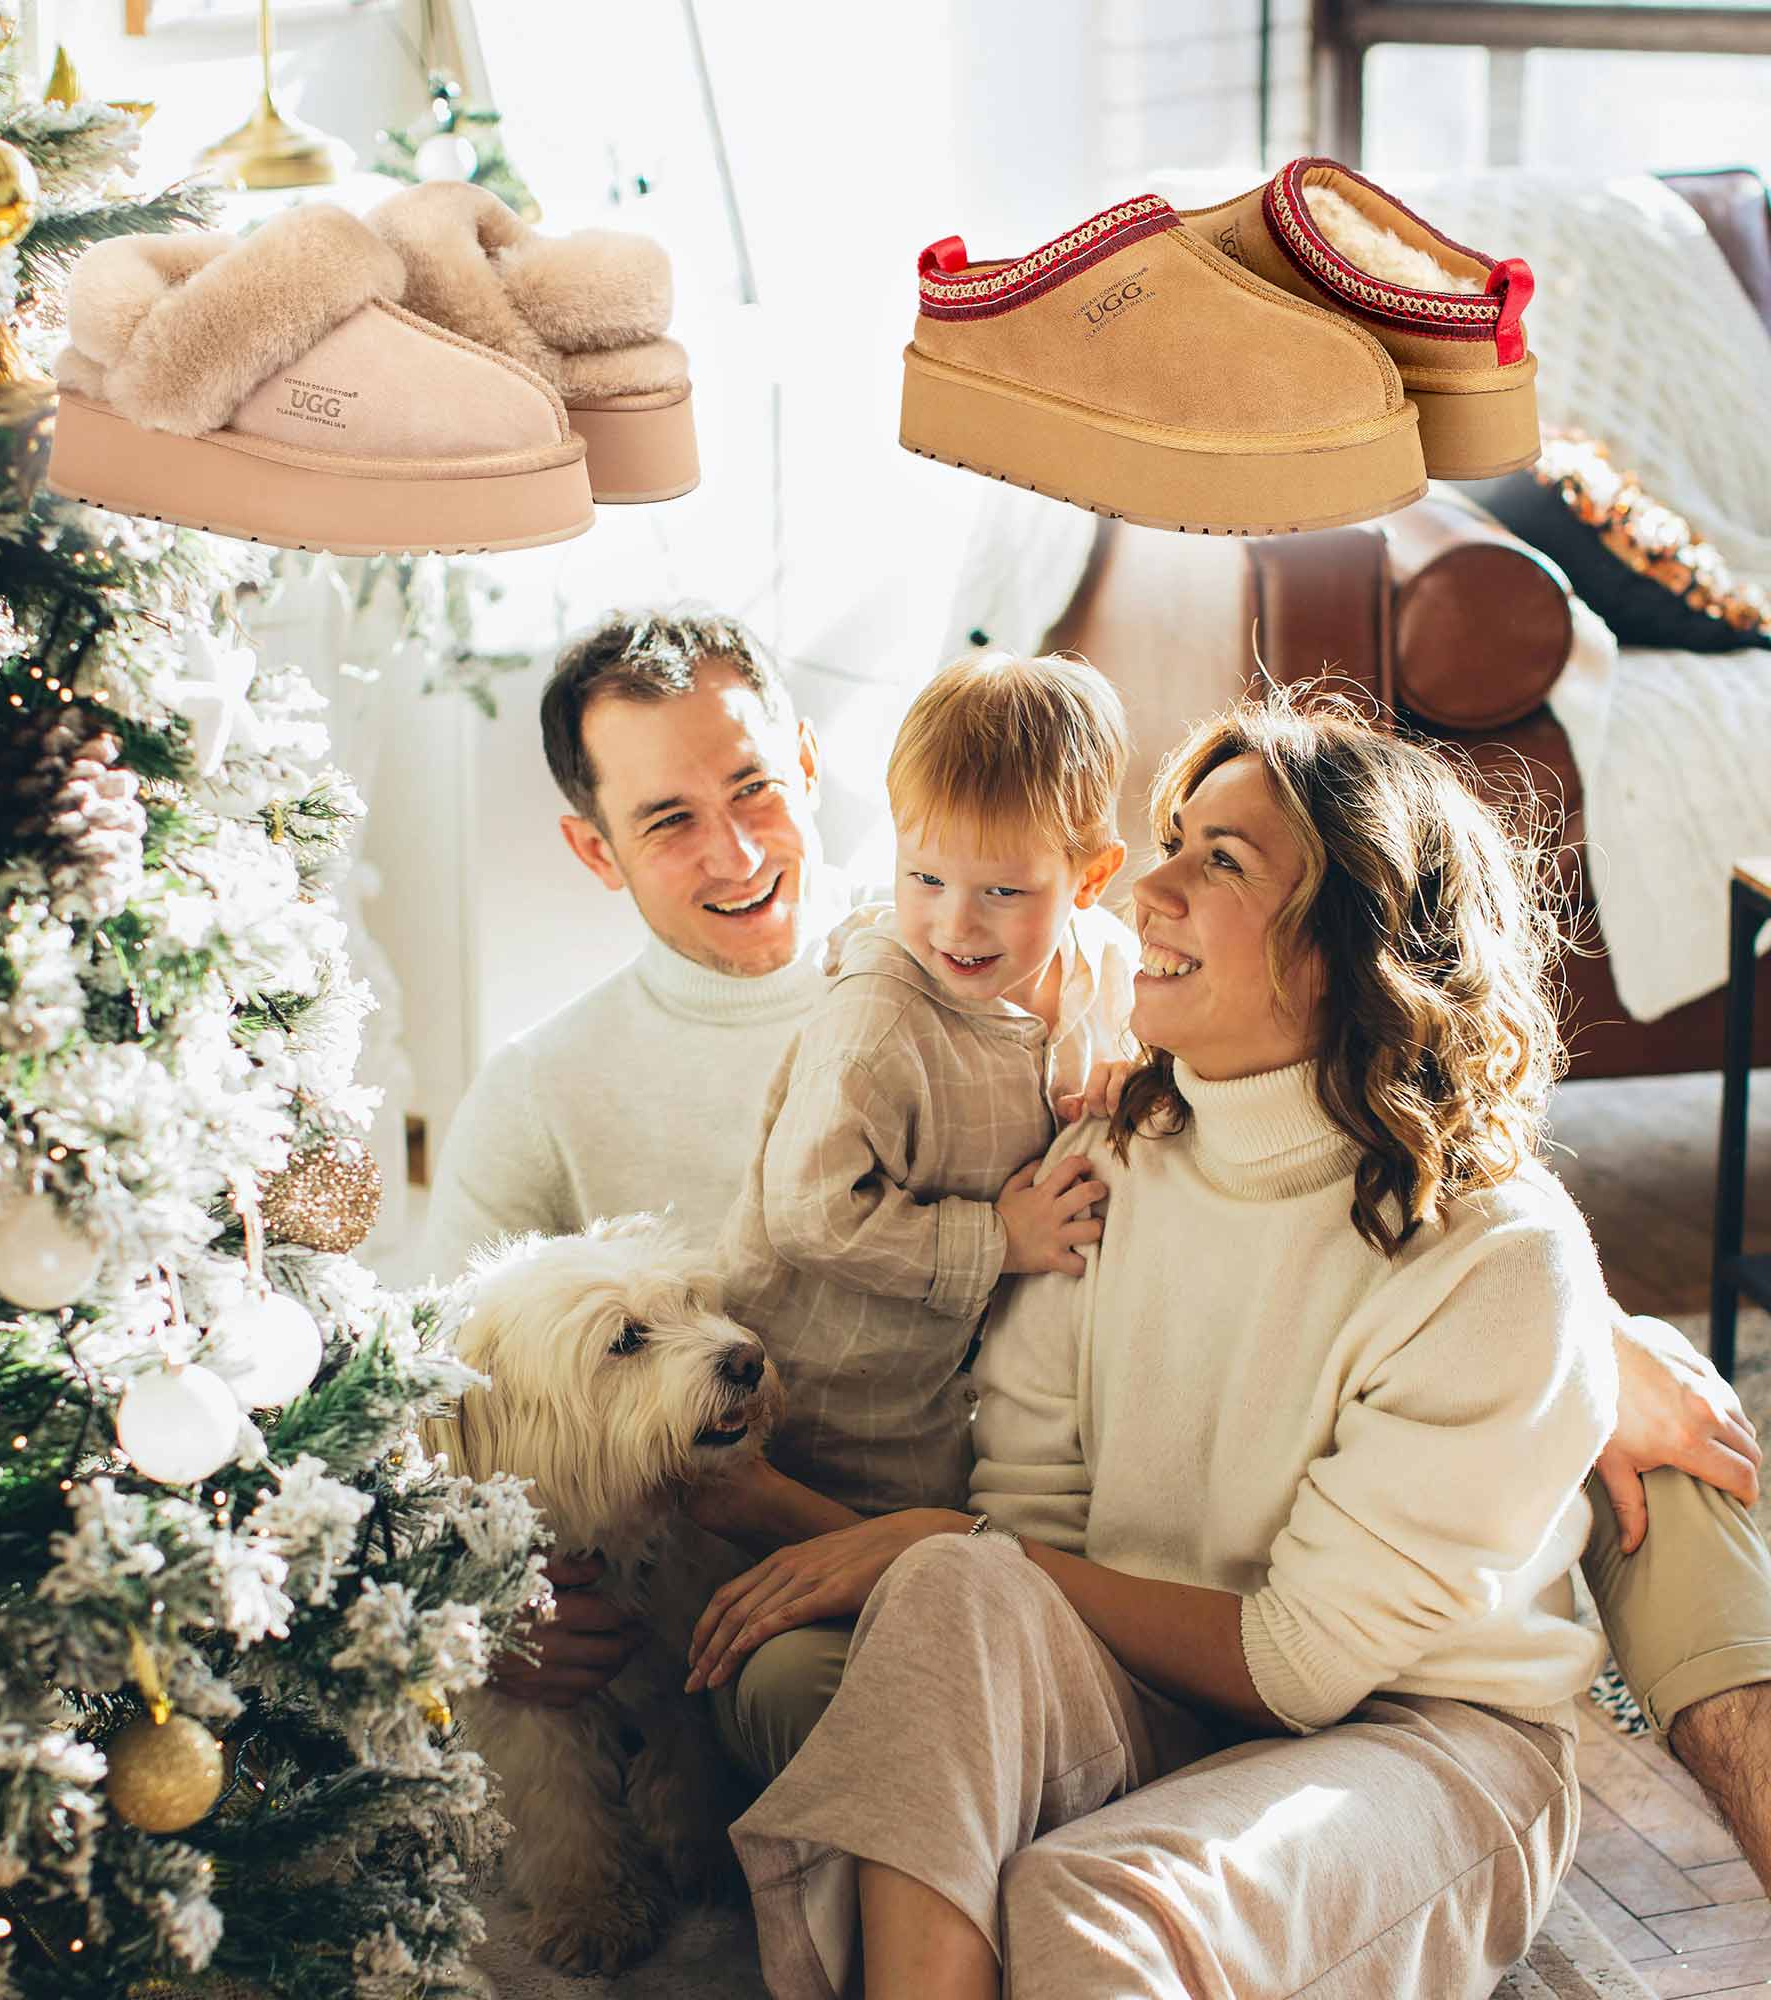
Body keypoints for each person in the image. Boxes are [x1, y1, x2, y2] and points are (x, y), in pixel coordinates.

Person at [422, 608, 1771, 1889]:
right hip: (866, 1534)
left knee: (1664, 1412)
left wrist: (1583, 1334)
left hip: (1043, 1505)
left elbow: (1372, 1092)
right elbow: (428, 1419)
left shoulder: (1014, 924)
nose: (735, 850)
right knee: (809, 1694)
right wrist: (500, 1605)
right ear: (595, 850)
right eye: (668, 820)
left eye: (755, 788)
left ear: (817, 771)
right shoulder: (543, 1092)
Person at [704, 700, 1626, 1993]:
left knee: (1079, 1906)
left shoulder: (1499, 1260)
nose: (1149, 886)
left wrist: (953, 1544)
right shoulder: (1109, 1165)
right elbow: (1030, 1530)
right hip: (1152, 1680)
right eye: (1172, 841)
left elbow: (1302, 1663)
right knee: (955, 1587)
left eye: (1220, 863)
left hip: (1423, 1737)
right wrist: (958, 1560)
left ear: (1347, 945)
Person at [717, 654, 1136, 1518]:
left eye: (1004, 891)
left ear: (1090, 880)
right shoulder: (877, 1018)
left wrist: (1137, 1078)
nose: (956, 923)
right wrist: (996, 1241)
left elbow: (1154, 1061)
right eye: (926, 877)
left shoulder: (1112, 968)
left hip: (976, 1392)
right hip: (835, 1406)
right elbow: (809, 1211)